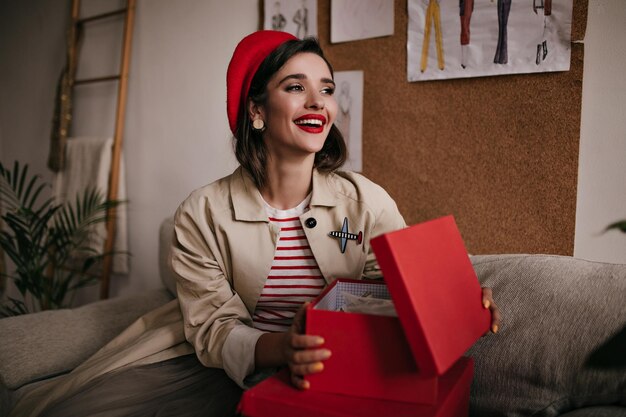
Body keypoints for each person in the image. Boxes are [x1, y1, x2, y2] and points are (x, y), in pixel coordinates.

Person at [10, 30, 500, 417]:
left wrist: (456, 304)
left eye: (326, 90)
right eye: (295, 87)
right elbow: (214, 328)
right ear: (256, 111)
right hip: (217, 369)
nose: (318, 102)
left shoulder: (365, 200)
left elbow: (396, 289)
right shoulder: (200, 214)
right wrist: (279, 349)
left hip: (338, 373)